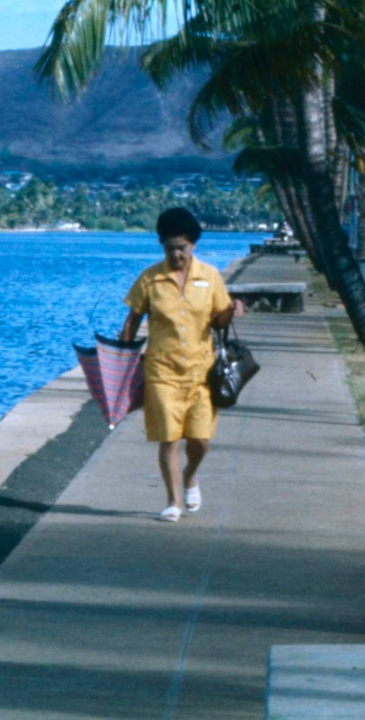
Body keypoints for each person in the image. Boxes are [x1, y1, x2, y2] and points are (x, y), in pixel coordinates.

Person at [119, 207, 245, 522]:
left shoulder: (210, 276)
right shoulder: (149, 279)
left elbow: (217, 320)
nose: (177, 254)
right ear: (162, 245)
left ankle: (190, 475)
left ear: (193, 245)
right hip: (161, 371)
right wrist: (122, 358)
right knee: (169, 438)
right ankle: (173, 500)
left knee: (201, 440)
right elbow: (132, 321)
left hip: (202, 372)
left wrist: (231, 311)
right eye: (170, 248)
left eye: (183, 248)